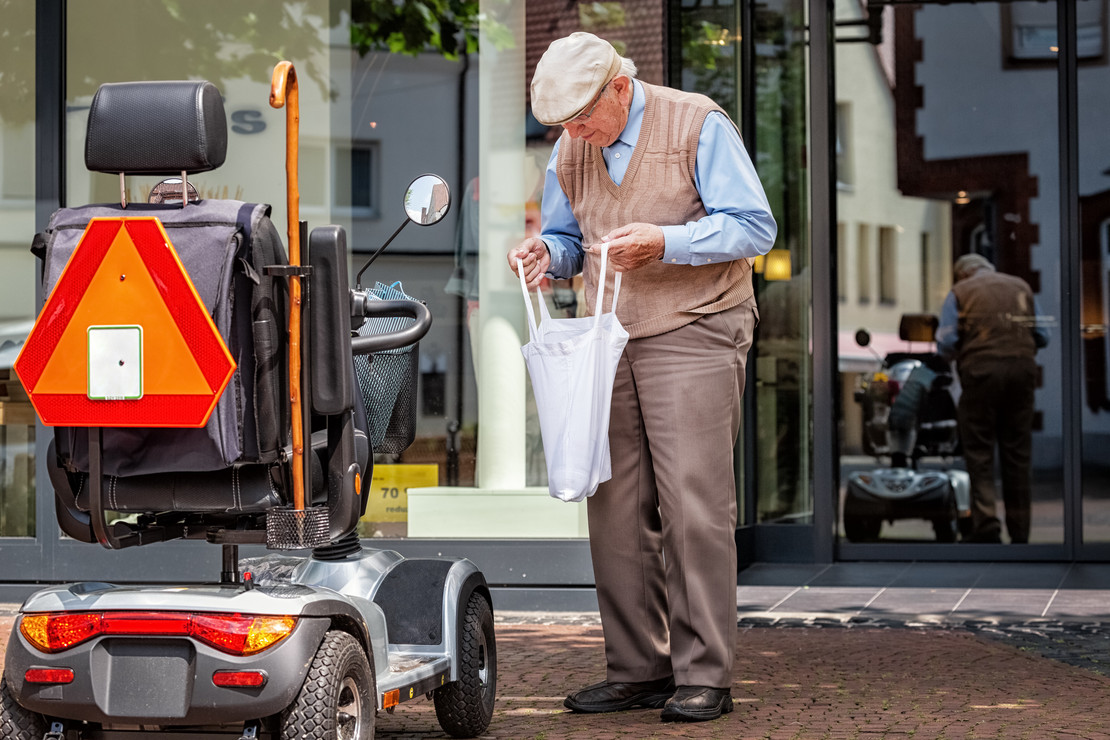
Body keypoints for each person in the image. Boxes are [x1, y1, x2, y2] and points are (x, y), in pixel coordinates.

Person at [507, 32, 776, 722]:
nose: (575, 135)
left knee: (692, 503)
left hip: (698, 323)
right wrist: (545, 252)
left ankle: (704, 672)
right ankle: (637, 668)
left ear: (619, 88)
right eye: (563, 126)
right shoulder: (572, 148)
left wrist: (666, 241)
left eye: (584, 119)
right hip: (613, 335)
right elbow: (571, 241)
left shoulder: (698, 122)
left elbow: (753, 226)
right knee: (615, 505)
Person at [936, 253, 1049, 544]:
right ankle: (1020, 531)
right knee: (1018, 455)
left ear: (963, 274)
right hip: (1022, 374)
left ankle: (987, 527)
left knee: (979, 453)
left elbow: (946, 341)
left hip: (980, 375)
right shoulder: (1021, 287)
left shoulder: (960, 292)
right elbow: (1043, 335)